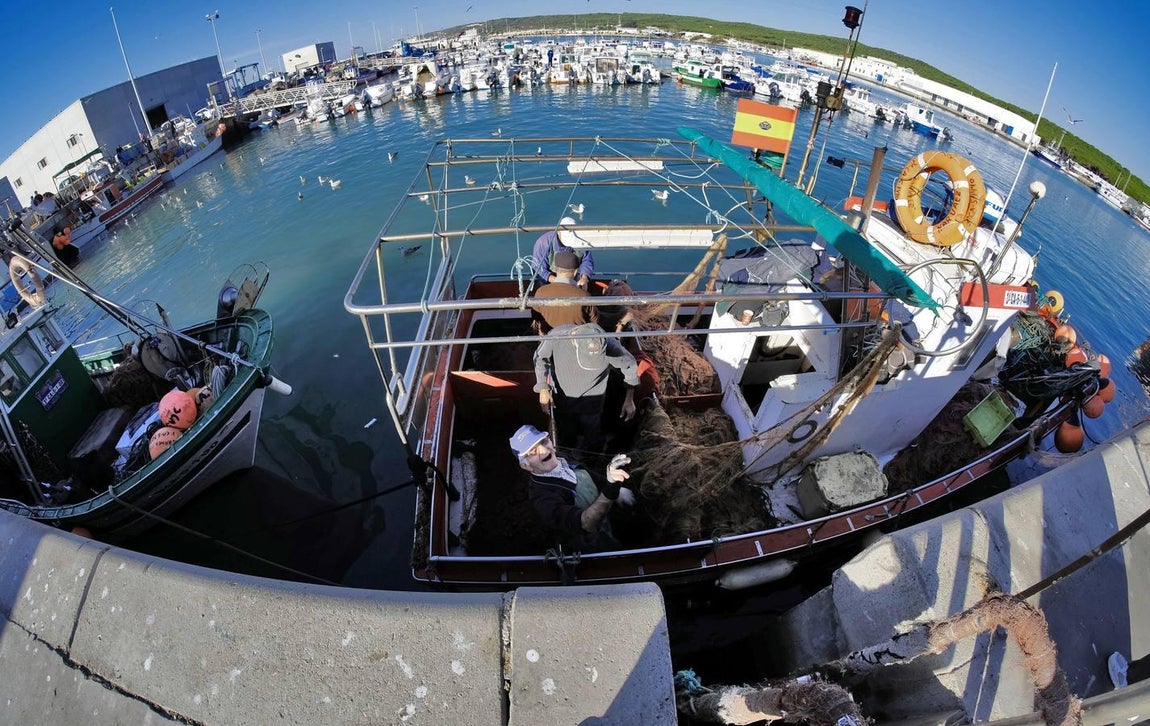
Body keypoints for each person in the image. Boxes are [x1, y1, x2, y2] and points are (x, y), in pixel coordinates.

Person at [510, 424, 634, 551]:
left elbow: (586, 473)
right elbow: (585, 524)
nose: (544, 450)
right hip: (589, 543)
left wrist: (611, 485)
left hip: (605, 518)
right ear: (526, 466)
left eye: (543, 441)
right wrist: (611, 490)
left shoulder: (561, 457)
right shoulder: (543, 498)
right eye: (533, 451)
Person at [534, 321, 638, 454]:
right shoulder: (557, 337)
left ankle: (595, 457)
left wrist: (629, 399)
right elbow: (539, 358)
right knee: (566, 432)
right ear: (574, 342)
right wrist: (543, 388)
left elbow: (630, 366)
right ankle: (567, 452)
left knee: (592, 431)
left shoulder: (611, 347)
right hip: (562, 397)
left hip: (593, 399)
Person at [532, 249, 595, 331]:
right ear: (575, 272)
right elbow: (594, 321)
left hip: (550, 338)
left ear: (556, 269)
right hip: (577, 340)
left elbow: (536, 316)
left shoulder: (541, 292)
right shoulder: (584, 296)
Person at [532, 216, 593, 290]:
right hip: (549, 280)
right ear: (558, 232)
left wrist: (584, 277)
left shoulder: (581, 241)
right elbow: (538, 268)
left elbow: (586, 259)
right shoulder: (543, 242)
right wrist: (556, 281)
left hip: (574, 280)